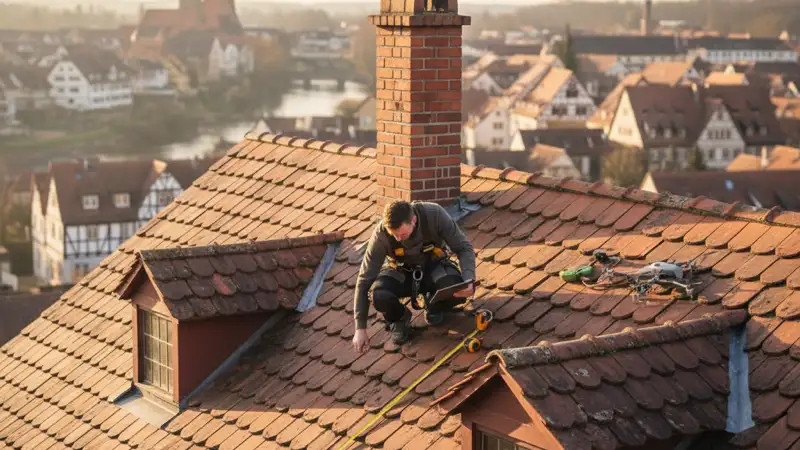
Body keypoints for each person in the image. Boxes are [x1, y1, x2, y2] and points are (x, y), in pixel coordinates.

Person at [351, 200, 476, 351]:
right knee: (378, 294)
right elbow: (364, 279)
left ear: (414, 221)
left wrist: (469, 279)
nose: (398, 239)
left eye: (402, 234)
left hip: (434, 267)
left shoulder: (435, 215)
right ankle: (399, 318)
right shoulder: (381, 234)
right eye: (394, 235)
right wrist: (360, 328)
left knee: (456, 286)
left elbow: (463, 248)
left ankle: (435, 306)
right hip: (402, 273)